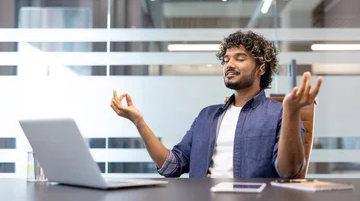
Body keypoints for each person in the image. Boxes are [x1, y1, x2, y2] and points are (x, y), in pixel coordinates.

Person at [110, 30, 323, 178]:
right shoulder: (207, 116)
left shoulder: (279, 113)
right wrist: (138, 121)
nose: (229, 64)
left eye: (239, 58)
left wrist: (292, 112)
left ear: (261, 68)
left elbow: (289, 171)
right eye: (226, 59)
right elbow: (171, 166)